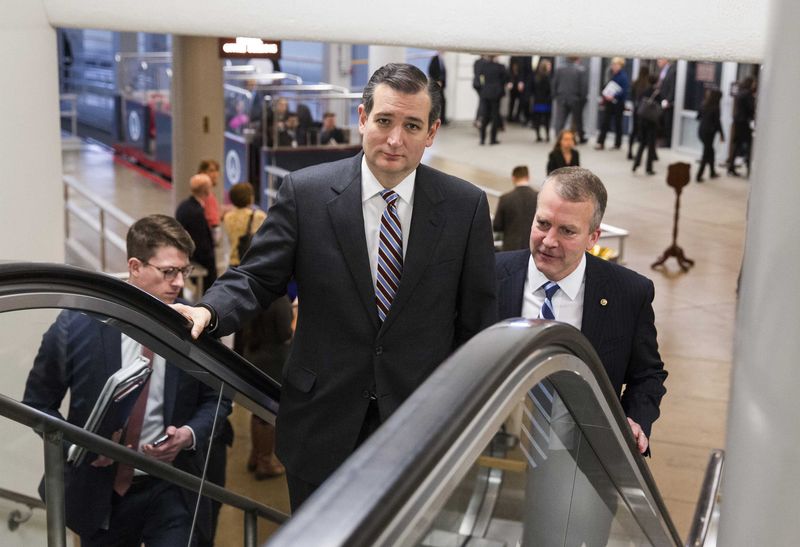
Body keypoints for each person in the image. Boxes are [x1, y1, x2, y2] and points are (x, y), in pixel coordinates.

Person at [172, 63, 497, 511]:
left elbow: (477, 324)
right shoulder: (306, 193)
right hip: (320, 425)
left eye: (412, 125)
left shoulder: (466, 207)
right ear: (362, 119)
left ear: (432, 131)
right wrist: (207, 310)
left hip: (419, 429)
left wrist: (464, 414)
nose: (395, 139)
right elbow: (257, 275)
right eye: (384, 121)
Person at [22, 214, 231, 546]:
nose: (179, 283)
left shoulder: (196, 327)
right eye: (168, 272)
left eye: (184, 271)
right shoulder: (77, 324)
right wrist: (80, 448)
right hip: (99, 494)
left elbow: (217, 401)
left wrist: (189, 434)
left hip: (172, 488)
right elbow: (37, 404)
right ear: (135, 267)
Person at [495, 167, 667, 453]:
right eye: (543, 223)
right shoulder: (489, 276)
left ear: (593, 237)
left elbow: (647, 375)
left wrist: (635, 419)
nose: (549, 240)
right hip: (496, 452)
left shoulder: (628, 294)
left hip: (583, 457)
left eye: (567, 231)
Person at [176, 174, 217, 293]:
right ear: (206, 190)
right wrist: (211, 262)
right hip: (197, 258)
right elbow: (200, 242)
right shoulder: (197, 212)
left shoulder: (183, 205)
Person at [493, 165, 538, 251]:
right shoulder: (539, 197)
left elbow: (497, 225)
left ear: (513, 178)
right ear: (528, 177)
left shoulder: (505, 198)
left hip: (510, 248)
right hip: (531, 248)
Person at [595, 57, 630, 150]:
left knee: (618, 123)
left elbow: (625, 91)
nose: (613, 66)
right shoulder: (611, 74)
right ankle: (601, 142)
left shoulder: (623, 76)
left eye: (616, 65)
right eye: (613, 64)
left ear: (620, 66)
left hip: (618, 103)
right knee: (605, 122)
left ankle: (618, 144)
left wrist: (614, 96)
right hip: (609, 102)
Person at [552, 57, 589, 143]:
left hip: (561, 98)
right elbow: (583, 87)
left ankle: (559, 138)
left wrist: (555, 96)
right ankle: (575, 139)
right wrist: (583, 99)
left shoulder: (559, 69)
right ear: (577, 59)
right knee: (576, 120)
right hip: (575, 99)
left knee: (560, 119)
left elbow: (554, 83)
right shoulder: (580, 70)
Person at [476, 55, 509, 145]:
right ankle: (492, 139)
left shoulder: (484, 66)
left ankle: (482, 139)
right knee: (494, 117)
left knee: (485, 116)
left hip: (486, 93)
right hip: (495, 94)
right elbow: (505, 79)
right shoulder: (500, 67)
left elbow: (479, 77)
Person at [727, 76, 756, 177]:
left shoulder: (739, 92)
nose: (754, 85)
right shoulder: (748, 94)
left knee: (737, 144)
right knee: (749, 145)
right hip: (744, 122)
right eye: (753, 83)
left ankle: (731, 167)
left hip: (738, 121)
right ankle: (749, 169)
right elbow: (751, 108)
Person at [632, 74, 659, 175]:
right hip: (652, 122)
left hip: (642, 121)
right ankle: (649, 168)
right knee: (651, 146)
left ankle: (636, 164)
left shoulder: (644, 91)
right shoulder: (657, 93)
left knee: (642, 144)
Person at [697, 88, 725, 182]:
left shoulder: (704, 104)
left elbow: (698, 117)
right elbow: (717, 122)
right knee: (706, 153)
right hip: (709, 132)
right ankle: (699, 176)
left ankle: (712, 172)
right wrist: (722, 134)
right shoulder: (716, 107)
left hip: (701, 131)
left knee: (711, 152)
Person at [627, 65, 651, 160]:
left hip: (636, 110)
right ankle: (642, 154)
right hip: (644, 112)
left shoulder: (635, 83)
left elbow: (632, 97)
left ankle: (630, 151)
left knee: (634, 131)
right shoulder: (647, 86)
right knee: (644, 133)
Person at [197, 159, 222, 241]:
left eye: (216, 171)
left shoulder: (209, 194)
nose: (215, 174)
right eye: (211, 171)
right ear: (202, 172)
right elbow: (212, 219)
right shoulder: (205, 195)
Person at [655, 58, 677, 147]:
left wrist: (668, 100)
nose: (658, 62)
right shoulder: (663, 71)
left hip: (667, 102)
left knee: (667, 123)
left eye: (660, 60)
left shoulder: (672, 70)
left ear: (666, 60)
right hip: (662, 101)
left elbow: (672, 86)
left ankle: (668, 142)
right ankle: (662, 140)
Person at [530, 59, 553, 142]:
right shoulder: (548, 78)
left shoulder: (536, 77)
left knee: (537, 119)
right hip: (546, 101)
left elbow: (532, 89)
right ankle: (547, 136)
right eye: (549, 65)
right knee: (546, 119)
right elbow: (550, 90)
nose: (550, 67)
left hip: (537, 101)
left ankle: (538, 136)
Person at [427, 51, 447, 125]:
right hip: (436, 84)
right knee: (436, 102)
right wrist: (436, 81)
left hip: (442, 85)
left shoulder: (442, 60)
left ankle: (443, 119)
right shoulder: (435, 59)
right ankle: (436, 119)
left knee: (443, 102)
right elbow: (431, 71)